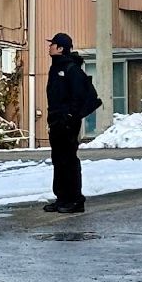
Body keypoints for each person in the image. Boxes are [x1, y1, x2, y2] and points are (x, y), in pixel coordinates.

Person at [44, 32, 92, 214]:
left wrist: (70, 116)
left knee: (69, 159)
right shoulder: (55, 68)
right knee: (58, 159)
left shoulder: (71, 68)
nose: (49, 47)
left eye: (53, 44)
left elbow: (78, 96)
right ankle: (62, 198)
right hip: (56, 120)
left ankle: (75, 199)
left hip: (67, 122)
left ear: (61, 48)